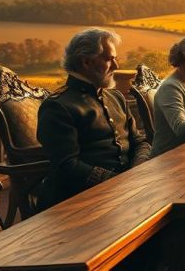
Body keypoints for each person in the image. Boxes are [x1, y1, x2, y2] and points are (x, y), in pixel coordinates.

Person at [37, 28, 151, 209]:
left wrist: (137, 174)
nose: (116, 66)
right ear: (87, 62)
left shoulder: (116, 97)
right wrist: (122, 183)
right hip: (79, 203)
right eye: (109, 59)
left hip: (125, 194)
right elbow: (67, 166)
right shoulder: (58, 106)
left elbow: (139, 142)